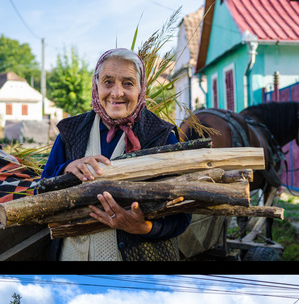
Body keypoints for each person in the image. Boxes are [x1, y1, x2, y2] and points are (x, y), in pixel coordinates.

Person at [39, 47, 191, 261]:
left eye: (128, 83)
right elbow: (40, 191)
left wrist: (143, 227)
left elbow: (183, 215)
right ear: (96, 85)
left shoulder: (161, 136)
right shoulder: (71, 133)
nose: (117, 93)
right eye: (108, 82)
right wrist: (65, 168)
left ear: (141, 88)